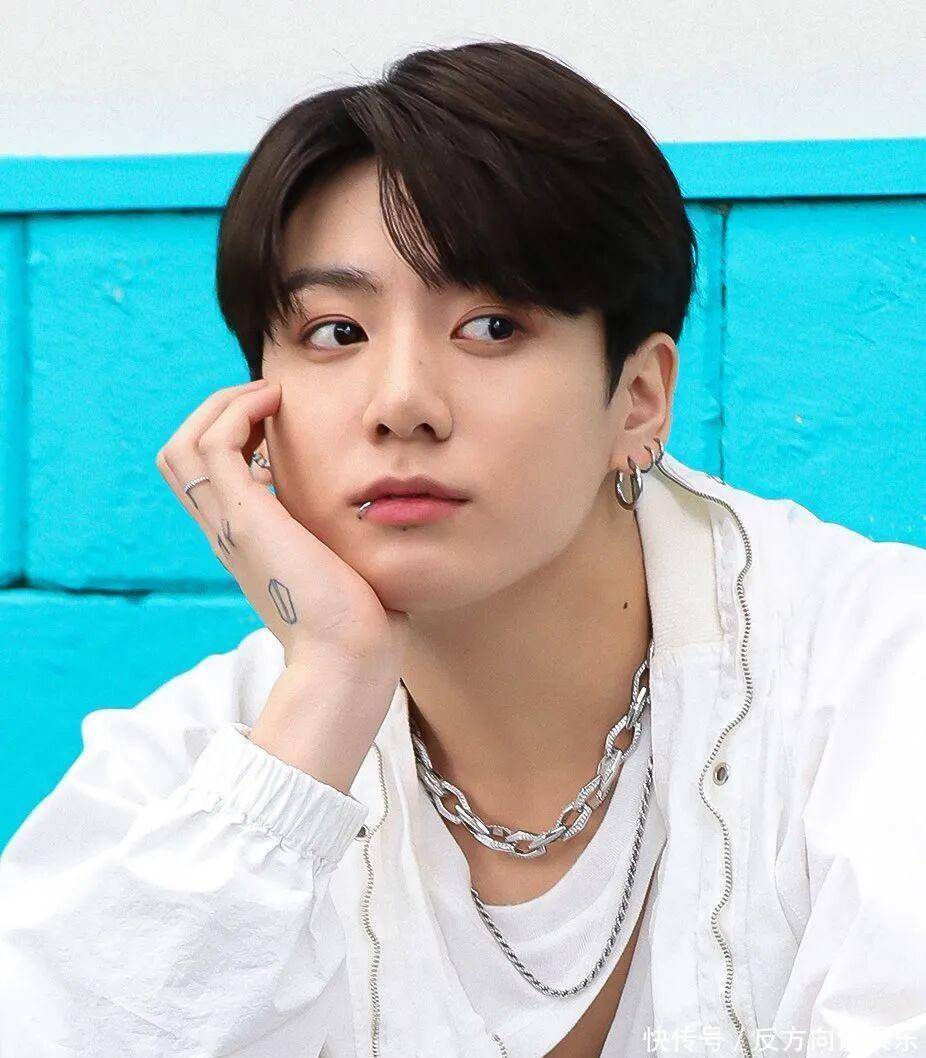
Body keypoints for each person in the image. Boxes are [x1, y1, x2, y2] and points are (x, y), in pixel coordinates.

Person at [1, 39, 924, 1058]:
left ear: (637, 397)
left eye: (490, 327)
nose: (402, 403)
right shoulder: (201, 765)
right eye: (335, 333)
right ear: (256, 408)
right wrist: (332, 684)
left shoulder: (877, 676)